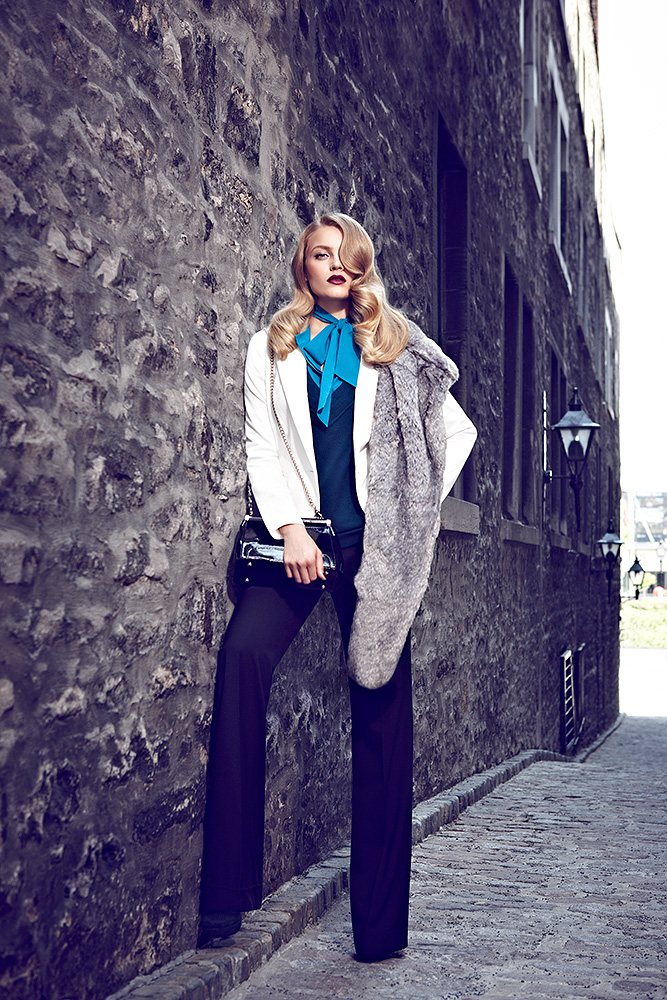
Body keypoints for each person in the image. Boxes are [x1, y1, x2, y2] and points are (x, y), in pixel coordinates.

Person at [197, 211, 477, 962]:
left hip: (373, 550)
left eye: (349, 256)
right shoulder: (271, 345)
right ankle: (225, 898)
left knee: (381, 716)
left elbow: (456, 433)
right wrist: (289, 528)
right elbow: (262, 445)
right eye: (322, 255)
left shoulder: (392, 345)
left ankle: (379, 932)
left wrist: (410, 510)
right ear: (304, 264)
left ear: (362, 267)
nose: (336, 266)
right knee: (242, 658)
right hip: (300, 542)